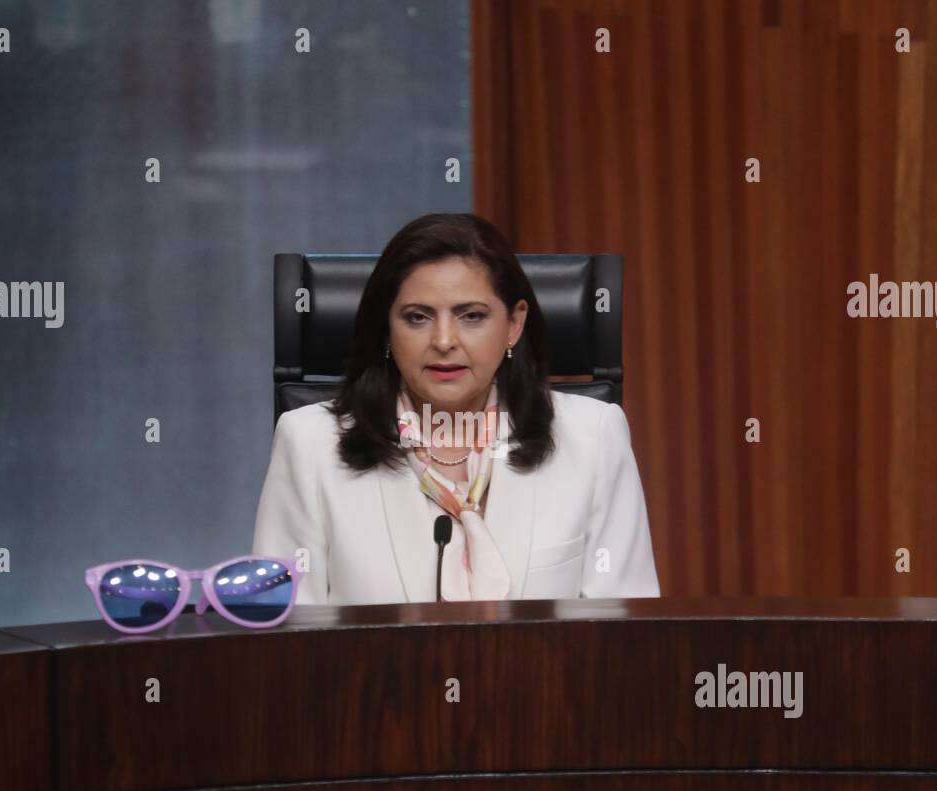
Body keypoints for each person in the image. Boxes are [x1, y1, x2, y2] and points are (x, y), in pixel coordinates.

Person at [252, 212, 660, 604]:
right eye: (417, 317)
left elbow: (622, 635)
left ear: (514, 325)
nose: (444, 340)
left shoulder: (594, 438)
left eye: (471, 316)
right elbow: (289, 647)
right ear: (386, 331)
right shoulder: (308, 445)